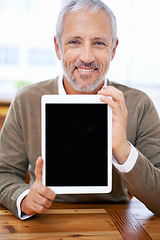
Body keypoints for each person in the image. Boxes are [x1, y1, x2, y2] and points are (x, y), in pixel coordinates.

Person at [0, 0, 160, 220]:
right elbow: (4, 173)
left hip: (117, 222)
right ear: (58, 47)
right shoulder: (27, 100)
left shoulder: (139, 105)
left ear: (113, 49)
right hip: (44, 221)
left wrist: (123, 149)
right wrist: (23, 197)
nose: (86, 57)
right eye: (74, 42)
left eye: (99, 43)